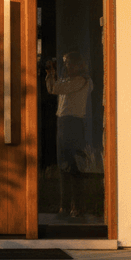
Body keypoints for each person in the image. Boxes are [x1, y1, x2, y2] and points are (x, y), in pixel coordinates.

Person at [45, 51, 93, 219]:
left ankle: (78, 206)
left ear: (79, 65)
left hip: (73, 124)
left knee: (74, 166)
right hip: (63, 123)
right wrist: (52, 74)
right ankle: (64, 206)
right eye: (66, 64)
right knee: (63, 166)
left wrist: (51, 75)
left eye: (70, 63)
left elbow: (53, 89)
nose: (67, 67)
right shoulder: (69, 81)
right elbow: (54, 87)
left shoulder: (82, 81)